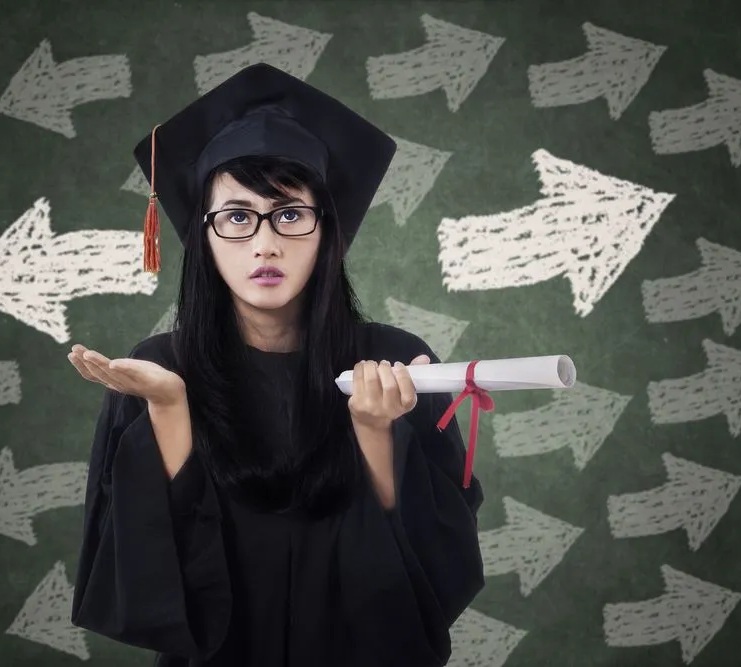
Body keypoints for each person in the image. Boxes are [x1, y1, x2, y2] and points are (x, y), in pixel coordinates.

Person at [66, 63, 485, 667]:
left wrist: (376, 432)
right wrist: (169, 410)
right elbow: (152, 584)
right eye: (236, 216)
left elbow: (428, 576)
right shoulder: (160, 369)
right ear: (203, 235)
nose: (265, 243)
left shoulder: (395, 362)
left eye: (290, 213)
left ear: (325, 231)